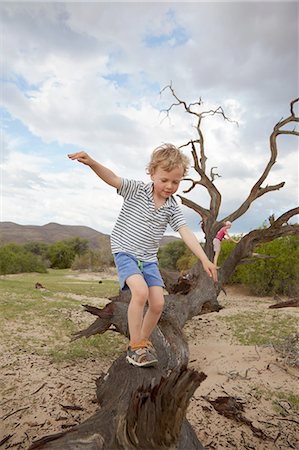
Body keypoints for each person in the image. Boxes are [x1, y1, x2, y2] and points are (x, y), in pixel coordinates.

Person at [68, 144, 218, 368]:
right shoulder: (136, 190)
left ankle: (141, 343)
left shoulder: (172, 207)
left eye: (175, 182)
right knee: (140, 292)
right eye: (164, 179)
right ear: (152, 173)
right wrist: (92, 163)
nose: (169, 186)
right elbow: (113, 178)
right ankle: (136, 346)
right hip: (125, 251)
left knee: (157, 303)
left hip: (148, 259)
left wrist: (205, 259)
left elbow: (185, 232)